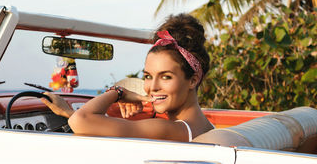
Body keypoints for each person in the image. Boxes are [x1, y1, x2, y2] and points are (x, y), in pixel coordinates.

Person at [42, 13, 214, 142]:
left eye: (166, 77)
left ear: (193, 79)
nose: (152, 87)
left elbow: (81, 120)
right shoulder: (203, 127)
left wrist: (119, 92)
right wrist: (68, 112)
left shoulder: (173, 129)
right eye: (148, 76)